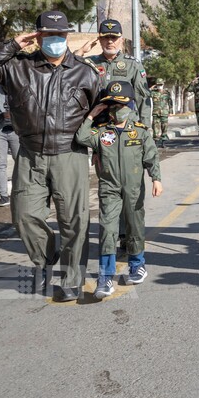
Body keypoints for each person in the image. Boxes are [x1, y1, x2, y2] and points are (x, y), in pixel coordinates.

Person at [0, 10, 101, 302]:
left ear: (67, 36)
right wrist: (13, 44)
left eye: (59, 34)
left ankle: (72, 280)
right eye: (47, 34)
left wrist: (99, 150)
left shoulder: (85, 71)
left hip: (71, 154)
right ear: (37, 36)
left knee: (74, 221)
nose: (54, 39)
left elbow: (101, 115)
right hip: (30, 154)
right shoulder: (17, 67)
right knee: (24, 216)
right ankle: (46, 258)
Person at [75, 81, 162, 299]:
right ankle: (105, 277)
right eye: (111, 105)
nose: (116, 109)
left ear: (131, 105)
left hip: (133, 188)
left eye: (120, 104)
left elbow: (151, 156)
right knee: (107, 230)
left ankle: (137, 265)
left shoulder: (140, 132)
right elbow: (81, 137)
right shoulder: (103, 133)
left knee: (134, 226)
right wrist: (91, 116)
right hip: (109, 188)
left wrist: (156, 179)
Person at [77, 19, 151, 123]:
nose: (110, 41)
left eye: (114, 37)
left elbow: (142, 97)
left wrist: (146, 127)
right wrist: (80, 52)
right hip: (96, 124)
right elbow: (68, 71)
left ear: (121, 39)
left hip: (125, 125)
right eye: (106, 37)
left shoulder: (133, 65)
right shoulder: (89, 63)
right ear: (100, 40)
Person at [149, 79, 173, 148]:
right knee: (155, 128)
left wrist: (170, 111)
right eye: (158, 85)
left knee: (164, 128)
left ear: (163, 84)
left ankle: (163, 142)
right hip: (156, 113)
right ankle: (156, 142)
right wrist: (151, 88)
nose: (160, 86)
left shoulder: (166, 93)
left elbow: (170, 102)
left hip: (164, 113)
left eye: (161, 85)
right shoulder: (153, 92)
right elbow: (146, 94)